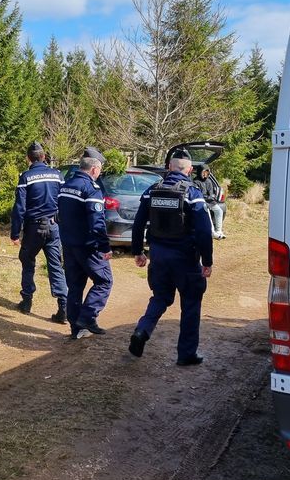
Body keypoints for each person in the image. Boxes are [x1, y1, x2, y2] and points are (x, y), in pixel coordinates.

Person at [128, 149, 213, 365]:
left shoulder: (151, 191)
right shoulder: (192, 194)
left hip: (158, 258)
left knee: (160, 298)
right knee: (191, 304)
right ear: (190, 170)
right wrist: (207, 261)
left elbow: (138, 224)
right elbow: (204, 231)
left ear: (169, 167)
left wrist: (138, 252)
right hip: (185, 260)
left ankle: (142, 331)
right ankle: (186, 354)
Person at [58, 147, 113, 339]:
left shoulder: (65, 185)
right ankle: (87, 317)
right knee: (104, 281)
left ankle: (76, 328)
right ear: (95, 170)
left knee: (75, 286)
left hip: (68, 244)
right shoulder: (91, 189)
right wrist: (105, 247)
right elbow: (97, 222)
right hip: (88, 247)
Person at [10, 142, 67, 323]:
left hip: (33, 229)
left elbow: (19, 208)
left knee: (27, 262)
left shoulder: (26, 177)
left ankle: (26, 302)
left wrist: (14, 233)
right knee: (56, 267)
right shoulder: (58, 176)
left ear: (29, 158)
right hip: (53, 227)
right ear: (44, 157)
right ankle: (63, 307)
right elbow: (64, 203)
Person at [196, 164, 226, 239]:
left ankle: (219, 231)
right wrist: (207, 197)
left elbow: (211, 194)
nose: (205, 174)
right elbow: (198, 195)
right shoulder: (196, 182)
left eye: (207, 172)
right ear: (200, 172)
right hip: (201, 202)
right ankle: (212, 232)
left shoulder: (209, 181)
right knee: (207, 212)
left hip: (210, 201)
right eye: (204, 172)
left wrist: (210, 197)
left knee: (219, 211)